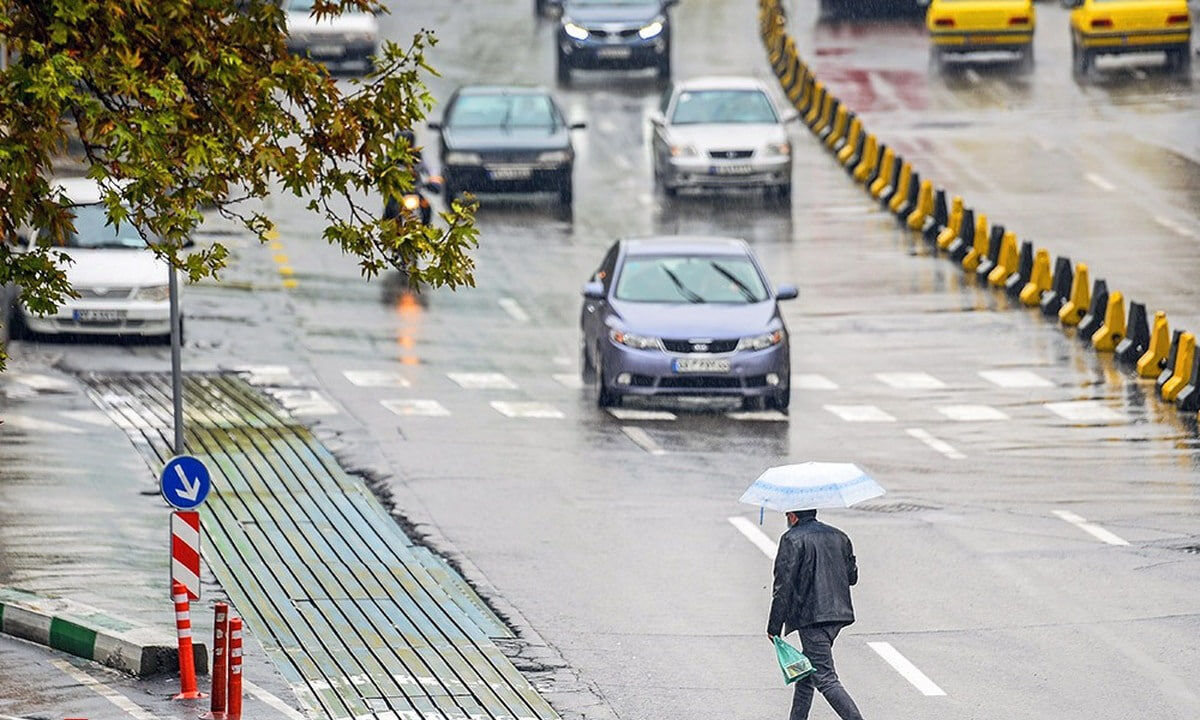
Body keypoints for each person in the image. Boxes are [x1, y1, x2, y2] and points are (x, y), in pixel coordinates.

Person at [766, 509, 864, 720]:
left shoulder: (791, 539)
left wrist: (774, 627)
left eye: (787, 516)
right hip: (837, 615)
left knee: (825, 677)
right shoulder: (839, 536)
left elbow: (783, 586)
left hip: (811, 617)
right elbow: (852, 577)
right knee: (808, 672)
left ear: (793, 516)